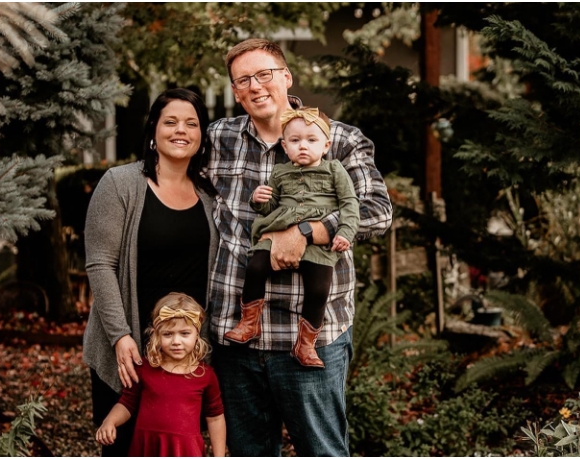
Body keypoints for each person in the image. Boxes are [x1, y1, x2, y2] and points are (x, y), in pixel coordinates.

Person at [205, 38, 393, 457]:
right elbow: (169, 159)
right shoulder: (220, 138)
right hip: (235, 341)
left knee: (322, 451)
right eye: (243, 80)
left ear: (286, 77)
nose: (255, 86)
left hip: (309, 341)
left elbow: (378, 211)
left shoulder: (338, 140)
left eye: (264, 74)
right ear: (235, 91)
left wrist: (306, 232)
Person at [83, 88, 219, 457]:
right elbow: (100, 263)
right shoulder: (120, 184)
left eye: (192, 123)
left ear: (202, 135)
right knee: (124, 446)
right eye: (170, 121)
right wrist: (120, 336)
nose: (181, 130)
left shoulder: (210, 194)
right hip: (128, 348)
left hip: (183, 353)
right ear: (154, 131)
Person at [224, 107, 359, 369]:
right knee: (255, 267)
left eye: (311, 140)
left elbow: (350, 204)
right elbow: (271, 206)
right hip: (277, 228)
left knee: (319, 289)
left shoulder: (334, 170)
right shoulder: (280, 172)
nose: (303, 146)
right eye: (295, 141)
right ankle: (249, 323)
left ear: (326, 145)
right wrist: (259, 199)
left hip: (318, 242)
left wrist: (344, 232)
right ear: (285, 147)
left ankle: (306, 344)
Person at [95, 293, 226, 457]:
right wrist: (110, 421)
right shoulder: (144, 368)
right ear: (156, 334)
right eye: (168, 334)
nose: (176, 341)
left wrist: (219, 456)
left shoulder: (205, 375)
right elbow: (127, 403)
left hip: (184, 450)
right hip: (148, 447)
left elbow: (215, 418)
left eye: (184, 333)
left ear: (197, 334)